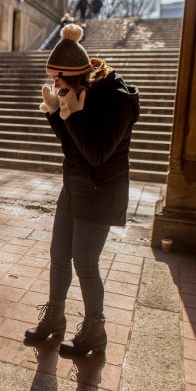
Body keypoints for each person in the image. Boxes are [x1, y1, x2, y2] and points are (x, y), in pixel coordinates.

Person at [24, 23, 140, 356]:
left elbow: (97, 154)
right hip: (74, 185)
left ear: (74, 75)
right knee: (58, 256)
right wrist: (55, 114)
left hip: (102, 190)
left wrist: (70, 115)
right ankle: (54, 318)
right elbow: (70, 146)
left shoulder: (115, 101)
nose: (54, 85)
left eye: (58, 80)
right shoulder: (72, 91)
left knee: (85, 263)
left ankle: (95, 330)